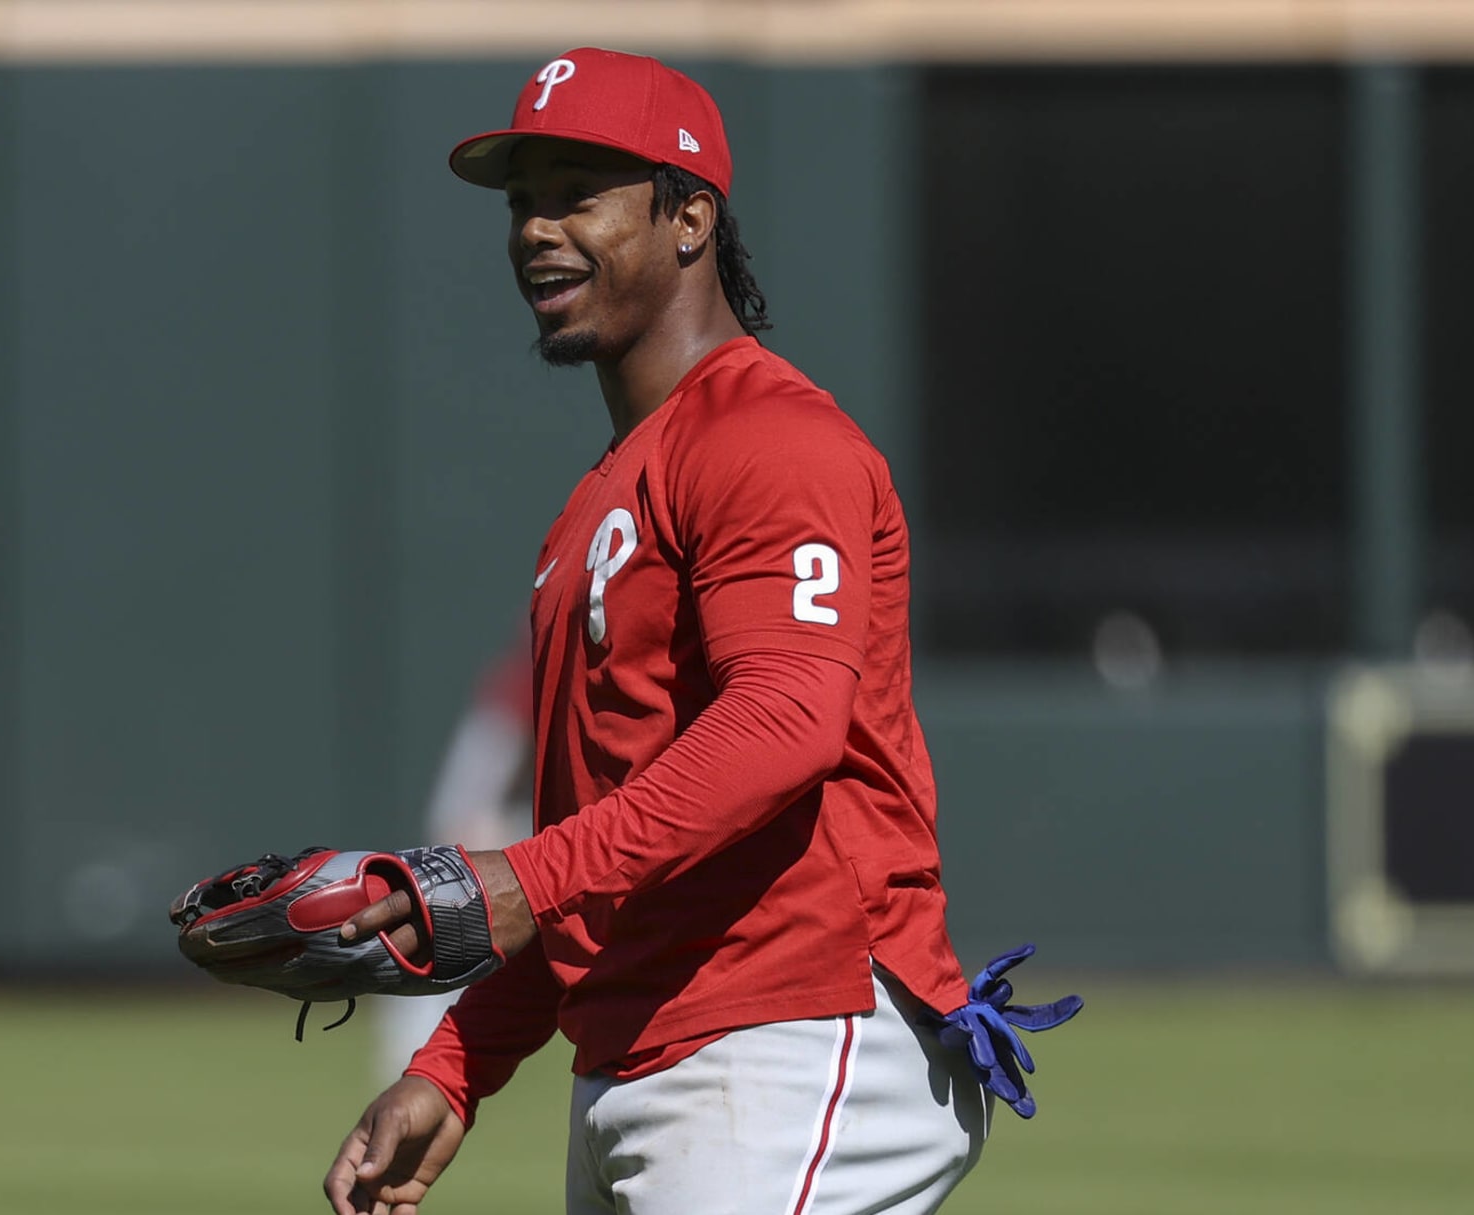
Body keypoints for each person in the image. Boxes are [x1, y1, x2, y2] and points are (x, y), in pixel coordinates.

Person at [324, 47, 1070, 1215]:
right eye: (523, 201)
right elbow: (602, 847)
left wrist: (521, 873)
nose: (534, 230)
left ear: (689, 218)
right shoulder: (598, 501)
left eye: (578, 192)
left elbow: (785, 722)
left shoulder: (771, 440)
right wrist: (458, 1064)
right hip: (650, 1055)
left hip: (790, 1031)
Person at [374, 636, 534, 1082]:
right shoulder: (525, 681)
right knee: (444, 920)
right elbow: (474, 790)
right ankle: (408, 1048)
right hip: (486, 799)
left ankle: (425, 1045)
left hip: (513, 807)